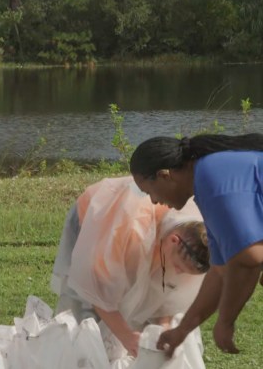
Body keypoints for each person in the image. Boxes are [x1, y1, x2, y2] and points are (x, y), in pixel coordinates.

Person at [129, 133, 263, 356]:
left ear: (164, 175)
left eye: (148, 191)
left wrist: (226, 321)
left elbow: (248, 260)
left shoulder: (215, 182)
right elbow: (221, 270)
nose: (153, 201)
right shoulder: (207, 182)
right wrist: (181, 331)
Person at [51, 176, 210, 360]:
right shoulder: (130, 231)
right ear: (173, 240)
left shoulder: (198, 236)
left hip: (148, 227)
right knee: (85, 311)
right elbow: (94, 286)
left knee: (134, 306)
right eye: (179, 267)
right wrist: (127, 336)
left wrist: (163, 328)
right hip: (94, 216)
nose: (179, 273)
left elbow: (167, 293)